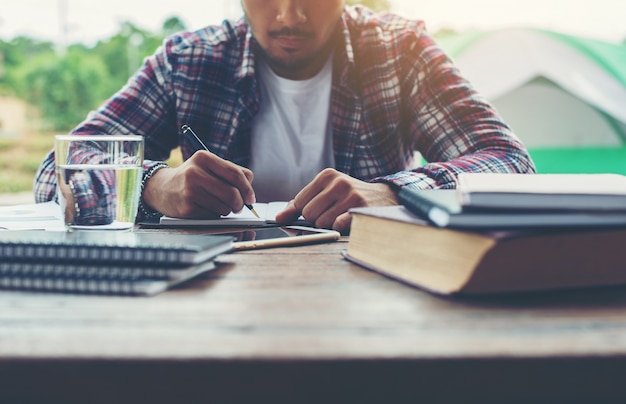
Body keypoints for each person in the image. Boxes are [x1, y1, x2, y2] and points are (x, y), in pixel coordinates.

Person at [34, 0, 535, 234]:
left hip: (378, 295)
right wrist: (154, 186)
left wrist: (394, 192)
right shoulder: (187, 61)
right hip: (216, 302)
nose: (289, 16)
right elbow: (58, 170)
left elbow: (511, 162)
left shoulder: (399, 50)